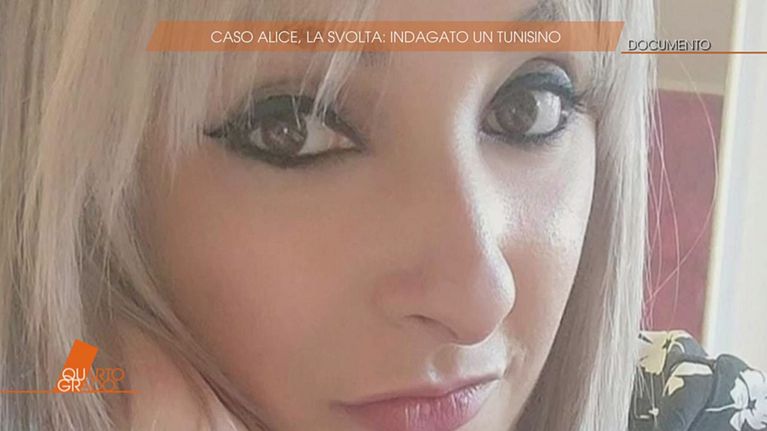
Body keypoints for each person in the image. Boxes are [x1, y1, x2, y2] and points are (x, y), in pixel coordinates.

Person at [6, 1, 760, 431]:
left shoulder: (695, 407)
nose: (478, 297)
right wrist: (76, 378)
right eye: (293, 125)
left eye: (527, 107)